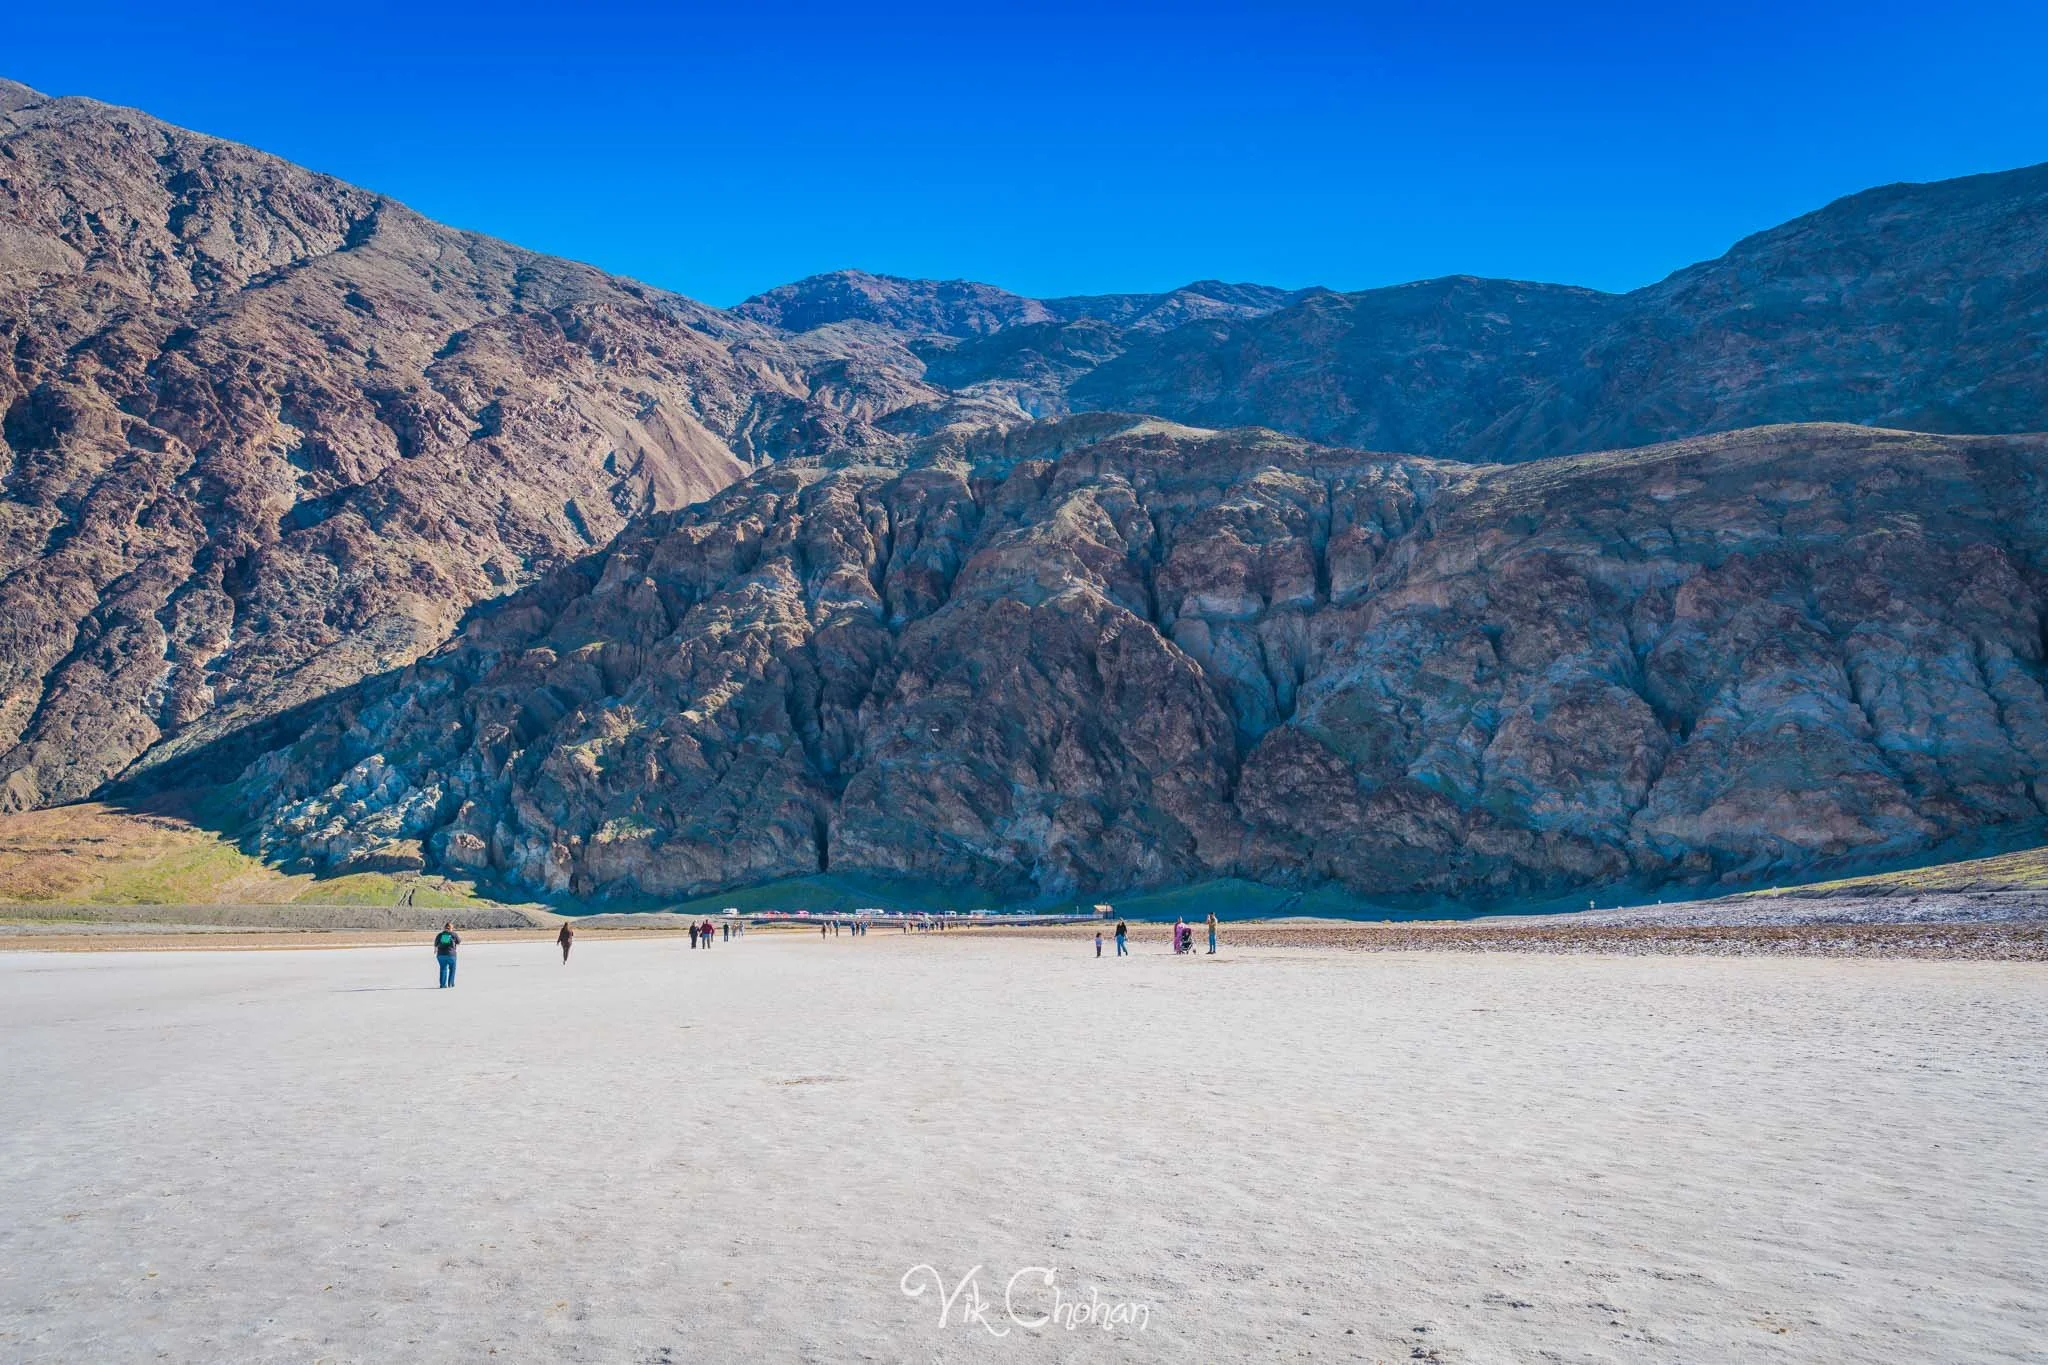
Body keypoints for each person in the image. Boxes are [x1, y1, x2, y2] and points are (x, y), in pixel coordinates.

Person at [434, 922, 460, 988]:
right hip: (451, 955)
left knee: (443, 968)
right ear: (451, 928)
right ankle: (450, 984)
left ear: (444, 928)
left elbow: (435, 944)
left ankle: (442, 985)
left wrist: (435, 950)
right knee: (452, 969)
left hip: (440, 955)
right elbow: (459, 942)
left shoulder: (440, 935)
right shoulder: (453, 934)